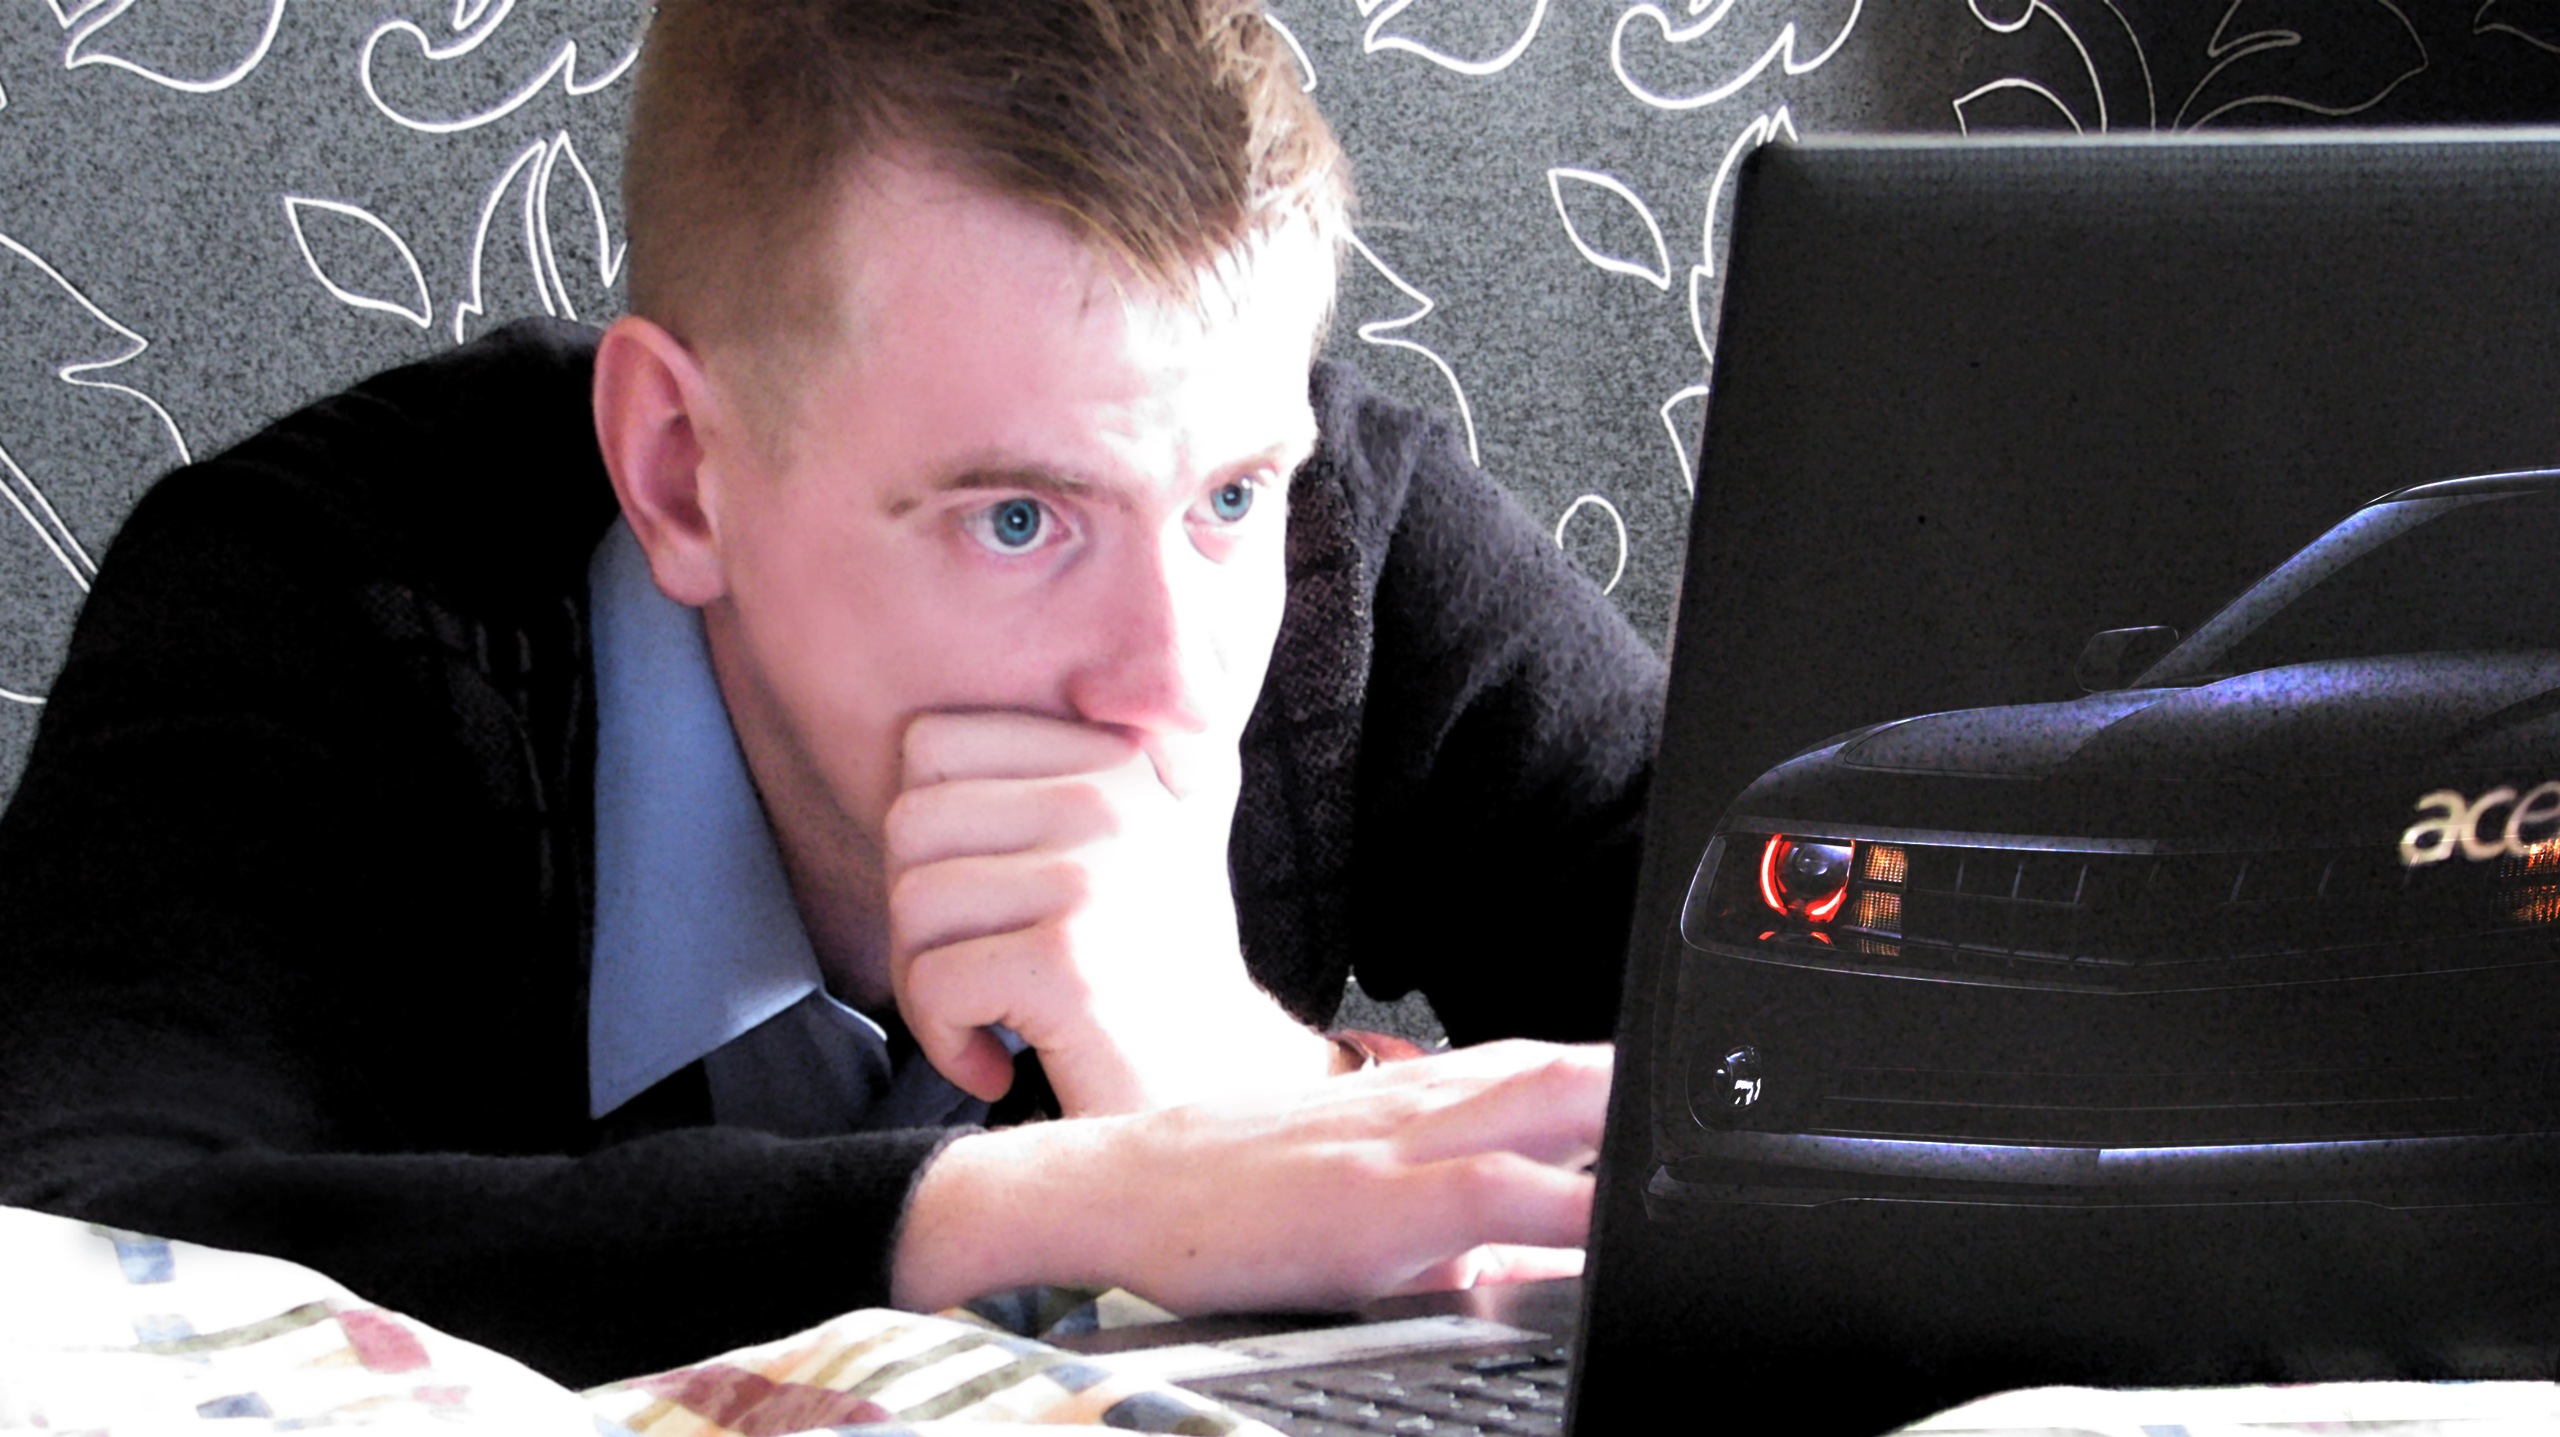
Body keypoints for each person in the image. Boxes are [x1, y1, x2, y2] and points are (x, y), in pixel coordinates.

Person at [0, 0, 1661, 1387]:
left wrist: (1253, 1080)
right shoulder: (316, 599)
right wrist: (1057, 1204)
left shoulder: (1337, 533)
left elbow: (1803, 1087)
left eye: (1227, 496)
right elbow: (64, 1237)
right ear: (682, 472)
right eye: (1018, 519)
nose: (1169, 682)